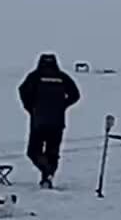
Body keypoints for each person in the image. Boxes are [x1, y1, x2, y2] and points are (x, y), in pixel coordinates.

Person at [19, 53, 81, 187]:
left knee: (33, 151)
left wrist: (31, 107)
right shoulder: (62, 77)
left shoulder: (34, 76)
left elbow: (23, 91)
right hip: (58, 122)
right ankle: (48, 175)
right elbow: (75, 95)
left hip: (38, 121)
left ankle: (46, 172)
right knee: (52, 152)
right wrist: (63, 105)